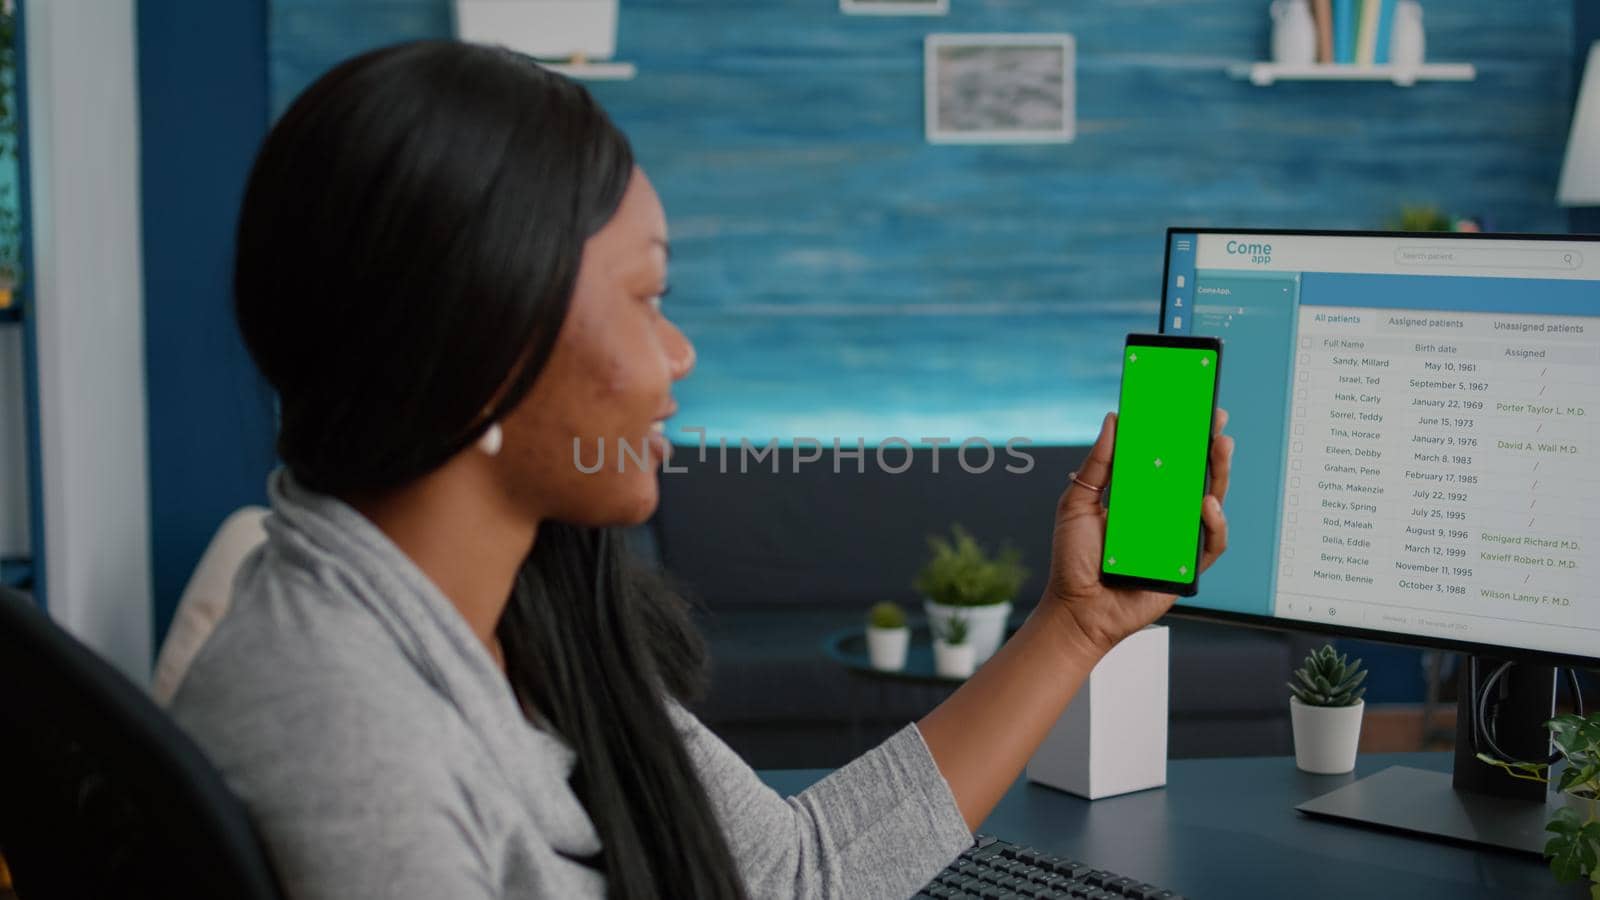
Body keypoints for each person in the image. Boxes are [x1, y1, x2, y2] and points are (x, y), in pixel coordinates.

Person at [170, 40, 1234, 900]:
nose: (677, 357)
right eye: (647, 299)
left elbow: (794, 873)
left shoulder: (525, 620)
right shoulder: (354, 735)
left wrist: (1075, 623)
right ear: (486, 347)